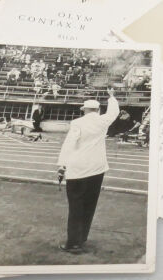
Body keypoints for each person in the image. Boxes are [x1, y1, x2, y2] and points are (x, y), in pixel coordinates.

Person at [57, 88, 120, 253]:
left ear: (84, 110)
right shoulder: (103, 121)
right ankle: (82, 237)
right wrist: (112, 97)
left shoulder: (77, 123)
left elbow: (69, 144)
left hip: (78, 169)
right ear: (98, 110)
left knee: (75, 206)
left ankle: (73, 242)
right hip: (98, 169)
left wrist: (62, 165)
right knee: (89, 205)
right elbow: (114, 112)